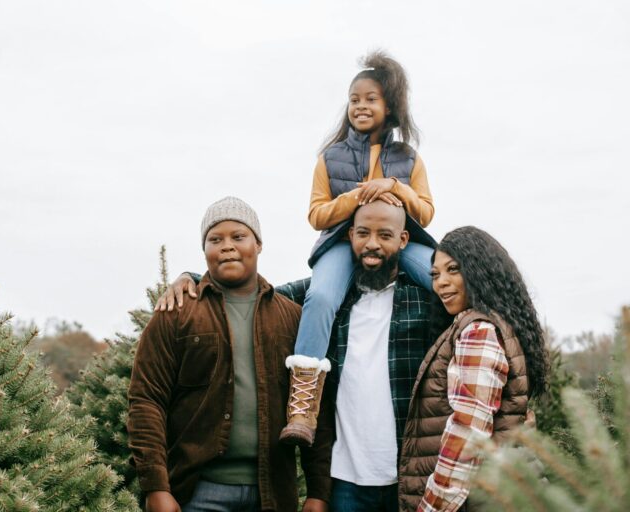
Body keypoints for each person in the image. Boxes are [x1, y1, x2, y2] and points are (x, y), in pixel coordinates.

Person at [156, 200, 436, 511]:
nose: (372, 244)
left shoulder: (424, 300)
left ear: (403, 240)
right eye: (362, 234)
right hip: (345, 479)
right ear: (349, 238)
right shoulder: (324, 296)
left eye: (384, 235)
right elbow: (254, 294)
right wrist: (192, 277)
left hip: (409, 473)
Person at [127, 197, 332, 512]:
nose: (227, 246)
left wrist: (319, 492)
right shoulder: (176, 313)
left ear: (258, 244)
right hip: (197, 493)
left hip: (272, 493)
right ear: (204, 249)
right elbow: (146, 400)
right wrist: (156, 487)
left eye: (238, 236)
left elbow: (315, 406)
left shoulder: (292, 318)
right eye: (215, 239)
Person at [281, 50, 436, 447]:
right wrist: (355, 198)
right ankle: (302, 407)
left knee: (444, 277)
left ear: (390, 106)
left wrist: (395, 187)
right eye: (355, 99)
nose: (361, 106)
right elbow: (317, 215)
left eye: (371, 99)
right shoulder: (329, 157)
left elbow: (427, 212)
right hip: (340, 242)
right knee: (321, 297)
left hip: (396, 244)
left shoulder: (408, 158)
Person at [398, 226, 550, 512]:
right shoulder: (495, 323)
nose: (441, 283)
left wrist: (433, 506)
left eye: (453, 269)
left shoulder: (477, 332)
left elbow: (467, 435)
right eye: (435, 274)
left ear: (479, 271)